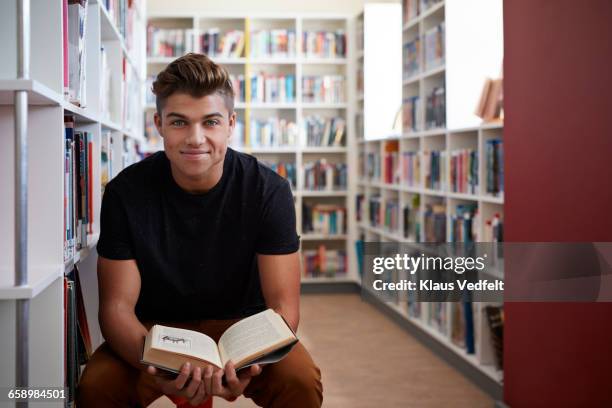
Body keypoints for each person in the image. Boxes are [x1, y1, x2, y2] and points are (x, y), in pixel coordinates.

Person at [76, 53, 323, 408]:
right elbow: (115, 309)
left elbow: (284, 305)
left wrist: (250, 363)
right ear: (159, 123)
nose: (196, 138)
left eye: (210, 122)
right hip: (156, 332)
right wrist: (159, 365)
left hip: (244, 330)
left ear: (230, 123)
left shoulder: (269, 190)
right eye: (179, 122)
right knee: (97, 388)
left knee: (300, 381)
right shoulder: (124, 193)